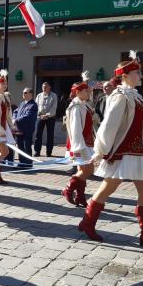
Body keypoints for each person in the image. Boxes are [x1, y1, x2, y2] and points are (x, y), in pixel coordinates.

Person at [78, 53, 143, 250]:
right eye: (138, 73)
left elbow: (138, 127)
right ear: (125, 75)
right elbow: (108, 126)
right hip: (124, 151)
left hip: (137, 151)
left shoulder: (134, 96)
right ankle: (88, 222)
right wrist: (101, 150)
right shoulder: (120, 96)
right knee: (108, 187)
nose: (141, 76)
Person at [62, 73, 96, 208]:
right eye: (86, 91)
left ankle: (80, 196)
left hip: (86, 142)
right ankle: (68, 189)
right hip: (80, 143)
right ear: (78, 92)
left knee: (84, 170)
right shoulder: (76, 107)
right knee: (88, 170)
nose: (88, 93)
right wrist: (78, 147)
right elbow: (75, 129)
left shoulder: (83, 105)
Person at [12, 88, 38, 168]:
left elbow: (28, 116)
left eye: (26, 92)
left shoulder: (33, 105)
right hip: (19, 129)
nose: (23, 94)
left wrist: (16, 120)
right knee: (20, 147)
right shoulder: (22, 103)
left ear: (31, 94)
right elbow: (15, 112)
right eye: (23, 92)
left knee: (27, 146)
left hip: (27, 130)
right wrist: (14, 118)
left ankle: (28, 163)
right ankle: (21, 162)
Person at [34, 82, 58, 157]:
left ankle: (49, 152)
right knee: (38, 134)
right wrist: (39, 115)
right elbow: (36, 106)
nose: (44, 88)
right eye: (43, 87)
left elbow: (54, 107)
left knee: (50, 135)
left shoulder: (54, 95)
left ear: (49, 87)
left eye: (45, 87)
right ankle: (37, 151)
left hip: (50, 118)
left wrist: (47, 115)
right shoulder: (39, 95)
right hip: (40, 117)